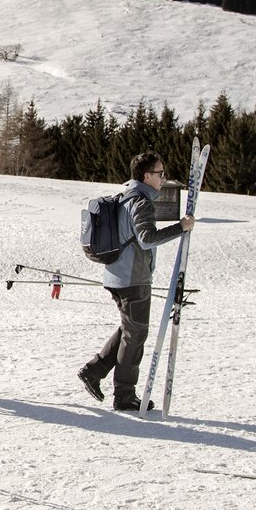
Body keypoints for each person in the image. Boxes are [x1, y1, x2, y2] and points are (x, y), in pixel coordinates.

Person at [78, 152, 194, 411]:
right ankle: (124, 396)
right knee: (136, 335)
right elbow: (147, 239)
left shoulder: (126, 196)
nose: (163, 179)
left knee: (130, 329)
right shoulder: (140, 201)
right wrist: (181, 227)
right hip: (133, 279)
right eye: (160, 174)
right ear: (146, 176)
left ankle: (94, 372)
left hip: (118, 275)